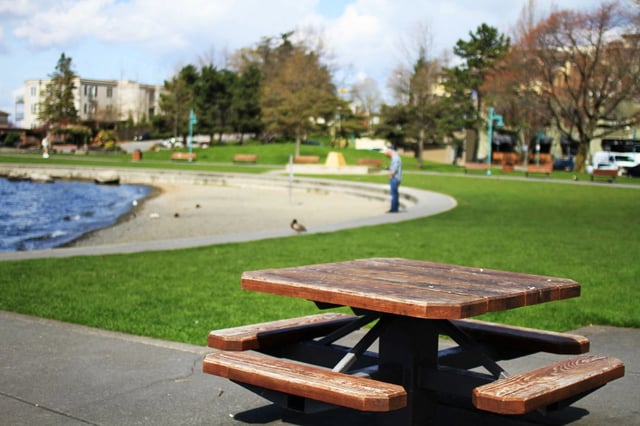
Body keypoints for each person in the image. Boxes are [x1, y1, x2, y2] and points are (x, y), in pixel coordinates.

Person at [384, 146, 402, 212]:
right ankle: (395, 208)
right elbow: (394, 167)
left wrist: (391, 175)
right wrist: (389, 168)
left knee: (394, 194)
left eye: (386, 151)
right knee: (395, 193)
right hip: (395, 177)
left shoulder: (395, 158)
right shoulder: (394, 157)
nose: (385, 153)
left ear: (390, 151)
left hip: (395, 178)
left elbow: (395, 168)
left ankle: (394, 209)